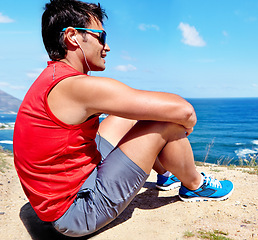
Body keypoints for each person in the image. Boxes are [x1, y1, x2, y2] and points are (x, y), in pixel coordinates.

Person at [13, 0, 233, 237]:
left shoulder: (54, 77)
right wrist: (181, 129)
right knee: (166, 123)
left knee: (125, 117)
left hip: (55, 198)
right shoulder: (77, 87)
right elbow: (185, 111)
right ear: (72, 37)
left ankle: (166, 175)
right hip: (77, 211)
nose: (106, 47)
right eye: (101, 37)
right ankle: (195, 186)